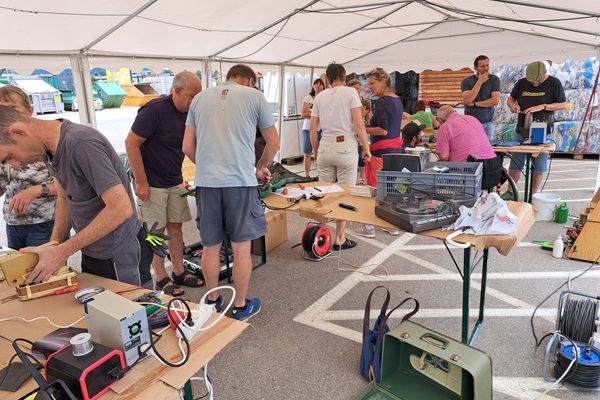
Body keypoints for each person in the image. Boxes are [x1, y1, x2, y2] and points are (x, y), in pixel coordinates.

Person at [0, 106, 153, 286]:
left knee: (125, 310)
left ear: (18, 132)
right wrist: (54, 246)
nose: (15, 165)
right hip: (92, 249)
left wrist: (63, 251)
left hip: (116, 253)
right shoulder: (50, 150)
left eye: (9, 157)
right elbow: (64, 198)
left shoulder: (81, 143)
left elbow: (121, 208)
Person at [183, 64, 279, 321]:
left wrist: (206, 168)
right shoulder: (254, 97)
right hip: (240, 182)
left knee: (210, 246)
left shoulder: (200, 99)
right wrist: (260, 167)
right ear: (248, 80)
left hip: (207, 183)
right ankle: (239, 305)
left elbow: (187, 146)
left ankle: (212, 302)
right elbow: (274, 142)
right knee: (240, 247)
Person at [126, 71, 202, 296]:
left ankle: (178, 270)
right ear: (176, 91)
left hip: (174, 180)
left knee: (176, 228)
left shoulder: (190, 113)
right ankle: (160, 276)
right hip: (150, 183)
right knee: (155, 231)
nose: (195, 101)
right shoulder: (154, 110)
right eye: (192, 96)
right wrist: (141, 182)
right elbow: (131, 144)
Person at [310, 63, 371, 249]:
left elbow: (313, 129)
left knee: (324, 194)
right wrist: (366, 148)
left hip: (325, 146)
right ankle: (339, 239)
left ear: (327, 78)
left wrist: (315, 150)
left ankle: (318, 235)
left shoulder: (320, 96)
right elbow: (359, 125)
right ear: (344, 77)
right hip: (345, 145)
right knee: (344, 194)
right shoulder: (351, 93)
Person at [0, 86, 58, 250]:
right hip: (13, 223)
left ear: (30, 110)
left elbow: (72, 187)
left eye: (12, 108)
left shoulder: (46, 145)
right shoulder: (3, 144)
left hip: (45, 222)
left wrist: (38, 190)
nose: (6, 115)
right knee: (18, 273)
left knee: (44, 273)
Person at [502, 61, 567, 200]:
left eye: (537, 81)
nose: (534, 83)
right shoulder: (521, 83)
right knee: (515, 163)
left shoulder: (554, 83)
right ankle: (510, 192)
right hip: (522, 129)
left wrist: (543, 106)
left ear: (544, 74)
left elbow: (562, 104)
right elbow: (510, 99)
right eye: (531, 81)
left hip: (542, 130)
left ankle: (533, 195)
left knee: (539, 165)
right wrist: (513, 105)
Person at [354, 67, 402, 238]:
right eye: (368, 84)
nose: (370, 87)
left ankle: (369, 228)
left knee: (374, 187)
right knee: (390, 187)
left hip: (381, 151)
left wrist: (362, 129)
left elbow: (382, 130)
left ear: (383, 81)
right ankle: (392, 225)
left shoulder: (382, 101)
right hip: (395, 151)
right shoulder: (396, 99)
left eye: (372, 83)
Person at [461, 55, 501, 141]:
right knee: (471, 150)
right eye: (482, 66)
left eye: (487, 65)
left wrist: (475, 103)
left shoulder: (494, 79)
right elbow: (468, 100)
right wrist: (479, 82)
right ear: (475, 68)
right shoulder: (466, 81)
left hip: (487, 122)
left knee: (488, 151)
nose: (486, 68)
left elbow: (495, 100)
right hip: (470, 123)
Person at [300, 78, 325, 177]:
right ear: (313, 86)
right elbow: (303, 114)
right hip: (307, 129)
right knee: (307, 153)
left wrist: (311, 113)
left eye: (320, 84)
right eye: (316, 84)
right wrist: (316, 115)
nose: (318, 86)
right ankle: (306, 175)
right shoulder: (308, 98)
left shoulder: (325, 98)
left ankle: (320, 175)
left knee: (320, 153)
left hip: (322, 129)